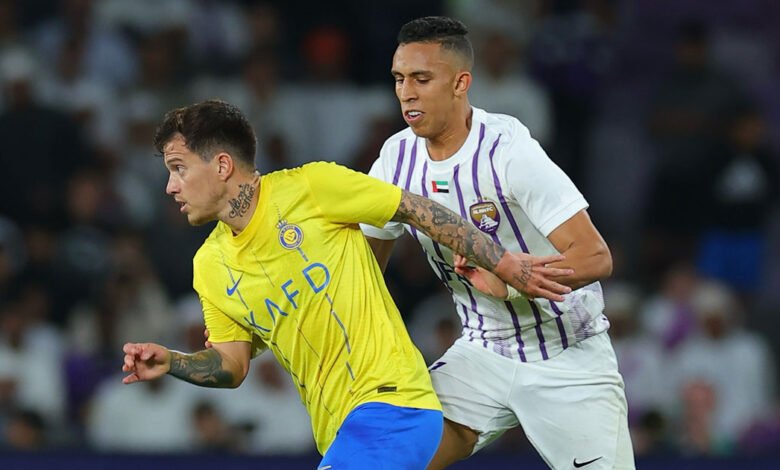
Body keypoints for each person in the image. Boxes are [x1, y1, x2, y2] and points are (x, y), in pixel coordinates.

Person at [120, 99, 572, 468]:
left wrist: (505, 264)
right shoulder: (210, 266)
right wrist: (173, 361)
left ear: (222, 165)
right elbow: (231, 364)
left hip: (394, 406)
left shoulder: (311, 187)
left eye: (178, 168)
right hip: (340, 433)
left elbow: (416, 209)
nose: (170, 187)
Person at [361, 17, 635, 469]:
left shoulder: (508, 151)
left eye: (421, 79)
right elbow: (362, 268)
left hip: (566, 356)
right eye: (399, 78)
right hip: (481, 353)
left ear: (460, 83)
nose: (406, 93)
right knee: (382, 459)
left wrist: (513, 279)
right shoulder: (396, 158)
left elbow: (595, 256)